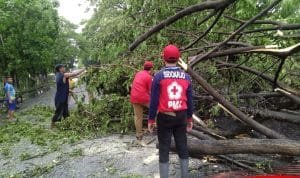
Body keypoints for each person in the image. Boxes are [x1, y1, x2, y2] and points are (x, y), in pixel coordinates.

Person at [148, 45, 193, 178]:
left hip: (165, 117)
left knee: (164, 148)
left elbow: (154, 101)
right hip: (181, 116)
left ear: (163, 58)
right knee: (182, 146)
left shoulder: (158, 76)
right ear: (179, 59)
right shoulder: (186, 77)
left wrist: (150, 120)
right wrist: (189, 119)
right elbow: (190, 101)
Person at [51, 64, 85, 128]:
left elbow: (61, 86)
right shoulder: (63, 75)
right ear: (60, 69)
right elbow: (74, 74)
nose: (64, 68)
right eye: (63, 67)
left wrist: (69, 90)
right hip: (60, 98)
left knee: (66, 112)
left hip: (62, 97)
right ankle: (53, 125)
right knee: (58, 113)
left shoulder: (58, 75)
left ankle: (68, 124)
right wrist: (83, 69)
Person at [130, 61, 154, 143]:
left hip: (134, 97)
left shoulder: (138, 73)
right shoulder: (149, 77)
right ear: (151, 69)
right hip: (144, 98)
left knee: (138, 117)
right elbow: (151, 91)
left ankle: (139, 135)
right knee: (156, 109)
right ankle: (156, 126)